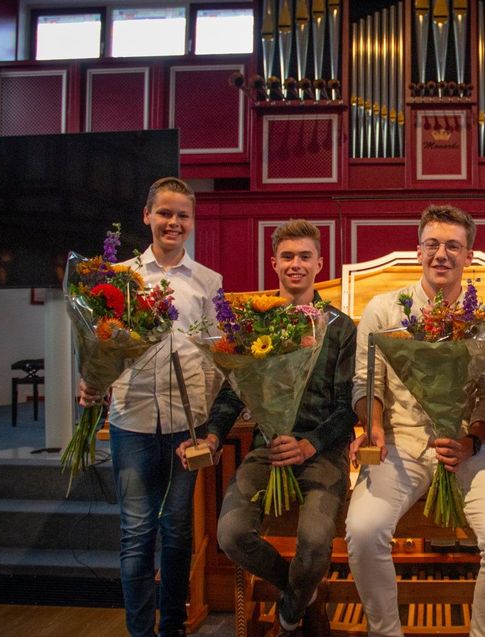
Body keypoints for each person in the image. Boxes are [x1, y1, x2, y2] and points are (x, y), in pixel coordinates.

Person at [345, 204, 485, 637]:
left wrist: (473, 440)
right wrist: (374, 427)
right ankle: (385, 631)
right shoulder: (386, 309)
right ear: (418, 250)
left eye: (453, 246)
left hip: (465, 450)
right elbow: (366, 381)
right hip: (400, 445)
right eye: (433, 244)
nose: (441, 254)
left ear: (469, 256)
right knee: (364, 530)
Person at [181, 220, 357, 637]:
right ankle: (302, 597)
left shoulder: (340, 327)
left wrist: (310, 445)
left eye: (305, 256)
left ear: (320, 263)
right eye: (287, 257)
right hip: (267, 450)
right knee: (231, 534)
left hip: (322, 453)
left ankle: (290, 612)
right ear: (274, 262)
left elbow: (349, 406)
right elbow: (233, 391)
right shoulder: (254, 323)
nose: (296, 265)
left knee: (315, 545)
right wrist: (212, 434)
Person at [78, 177, 223, 637]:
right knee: (137, 535)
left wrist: (213, 410)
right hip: (134, 419)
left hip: (187, 423)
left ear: (192, 222)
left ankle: (173, 627)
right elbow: (100, 342)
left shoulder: (208, 282)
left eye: (182, 215)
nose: (173, 223)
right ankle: (141, 631)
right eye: (165, 213)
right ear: (147, 216)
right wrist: (92, 380)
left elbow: (218, 355)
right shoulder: (121, 279)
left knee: (178, 533)